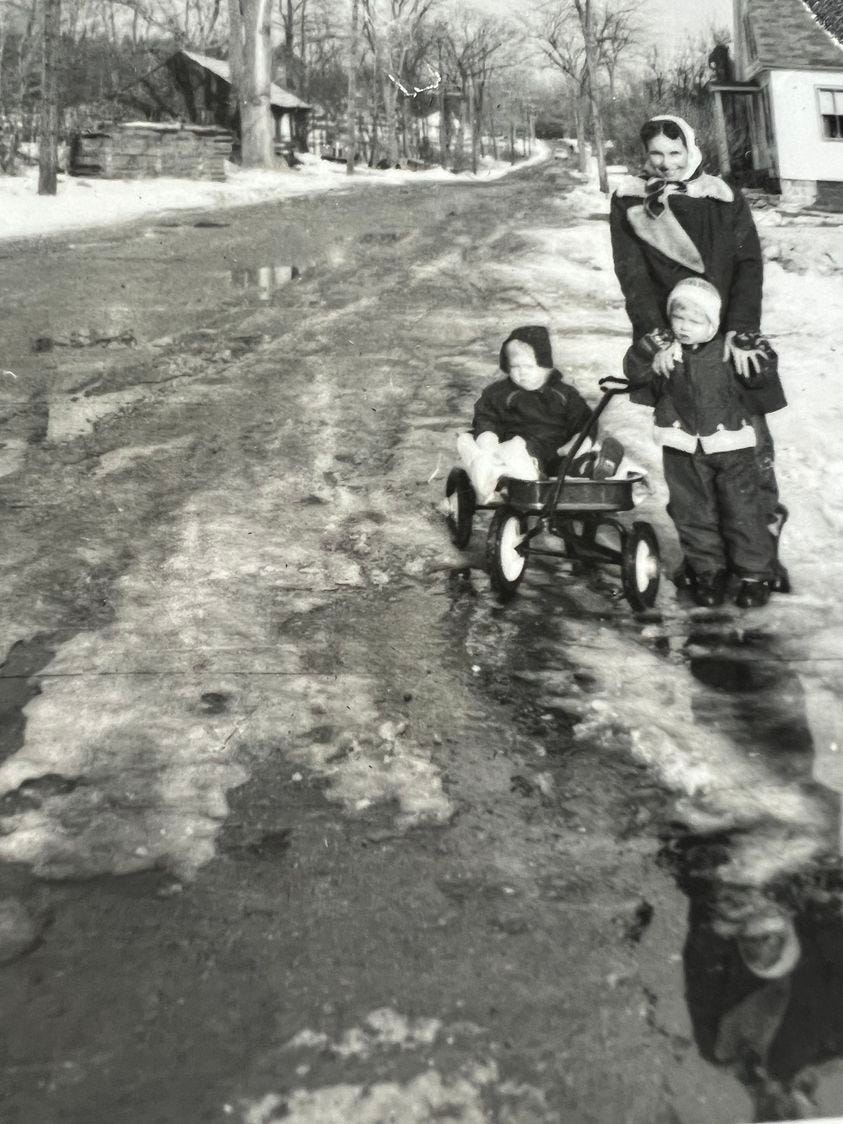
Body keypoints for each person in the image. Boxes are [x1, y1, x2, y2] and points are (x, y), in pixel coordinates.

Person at [609, 113, 789, 592]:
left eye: (676, 153)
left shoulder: (722, 196)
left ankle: (758, 561)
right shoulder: (630, 202)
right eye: (656, 155)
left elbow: (748, 264)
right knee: (688, 463)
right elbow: (633, 275)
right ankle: (706, 563)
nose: (667, 163)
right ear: (645, 158)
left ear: (692, 150)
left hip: (725, 329)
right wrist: (657, 335)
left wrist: (740, 329)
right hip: (676, 331)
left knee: (747, 459)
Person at [624, 278, 786, 609]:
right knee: (692, 513)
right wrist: (648, 349)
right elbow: (635, 372)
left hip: (731, 448)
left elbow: (760, 374)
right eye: (678, 319)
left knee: (742, 512)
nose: (683, 328)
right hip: (682, 447)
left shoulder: (726, 353)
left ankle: (755, 575)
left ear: (713, 323)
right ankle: (709, 571)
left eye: (695, 321)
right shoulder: (668, 353)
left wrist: (753, 346)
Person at [456, 325, 624, 503]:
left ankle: (596, 465)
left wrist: (579, 441)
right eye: (515, 367)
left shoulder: (563, 394)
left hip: (556, 448)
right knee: (500, 450)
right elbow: (487, 415)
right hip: (515, 446)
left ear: (546, 367)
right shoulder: (500, 393)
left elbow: (583, 420)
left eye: (529, 366)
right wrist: (488, 435)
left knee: (570, 464)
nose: (522, 373)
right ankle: (524, 475)